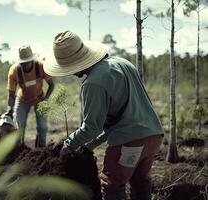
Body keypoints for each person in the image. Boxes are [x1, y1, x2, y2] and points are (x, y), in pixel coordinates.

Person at [44, 30, 164, 200]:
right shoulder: (123, 63)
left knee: (112, 186)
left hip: (128, 143)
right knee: (140, 181)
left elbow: (92, 127)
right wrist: (89, 146)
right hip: (154, 135)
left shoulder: (93, 82)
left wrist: (68, 146)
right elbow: (116, 120)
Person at [7, 45, 54, 147]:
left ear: (32, 60)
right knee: (18, 124)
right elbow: (11, 94)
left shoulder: (41, 66)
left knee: (42, 127)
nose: (25, 65)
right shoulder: (14, 71)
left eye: (27, 62)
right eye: (23, 63)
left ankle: (41, 149)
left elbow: (51, 85)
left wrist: (45, 99)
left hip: (40, 98)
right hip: (23, 99)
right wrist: (9, 109)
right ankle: (20, 148)